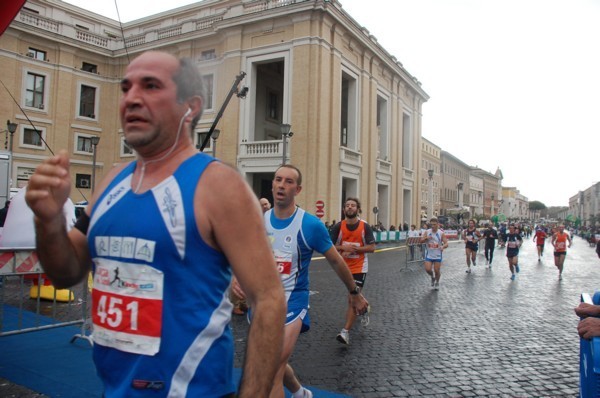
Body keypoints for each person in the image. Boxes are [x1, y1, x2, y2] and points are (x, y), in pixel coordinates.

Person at [25, 51, 285, 398]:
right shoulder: (112, 180)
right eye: (126, 87)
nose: (132, 98)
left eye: (150, 86)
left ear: (190, 107)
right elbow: (66, 271)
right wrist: (48, 219)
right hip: (112, 389)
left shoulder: (219, 185)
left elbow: (268, 298)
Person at [263, 165, 369, 398]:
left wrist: (354, 292)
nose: (281, 185)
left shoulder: (310, 225)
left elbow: (336, 261)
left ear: (298, 189)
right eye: (278, 180)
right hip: (263, 301)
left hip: (293, 300)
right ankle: (300, 392)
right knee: (273, 363)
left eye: (289, 182)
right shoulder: (258, 220)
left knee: (272, 365)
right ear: (272, 184)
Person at [329, 197, 376, 344]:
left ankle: (345, 332)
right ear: (344, 209)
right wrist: (343, 248)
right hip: (343, 267)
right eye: (347, 205)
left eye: (353, 205)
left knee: (351, 298)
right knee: (355, 295)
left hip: (359, 267)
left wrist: (356, 249)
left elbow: (372, 248)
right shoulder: (338, 226)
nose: (350, 207)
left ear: (358, 209)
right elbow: (328, 246)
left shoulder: (364, 226)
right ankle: (364, 306)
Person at [420, 217, 448, 290]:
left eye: (434, 224)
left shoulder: (441, 233)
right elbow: (421, 240)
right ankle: (432, 277)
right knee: (428, 269)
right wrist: (426, 238)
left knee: (436, 270)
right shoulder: (427, 232)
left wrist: (443, 246)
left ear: (437, 224)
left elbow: (446, 243)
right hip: (429, 254)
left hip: (437, 255)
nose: (432, 226)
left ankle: (437, 282)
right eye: (431, 224)